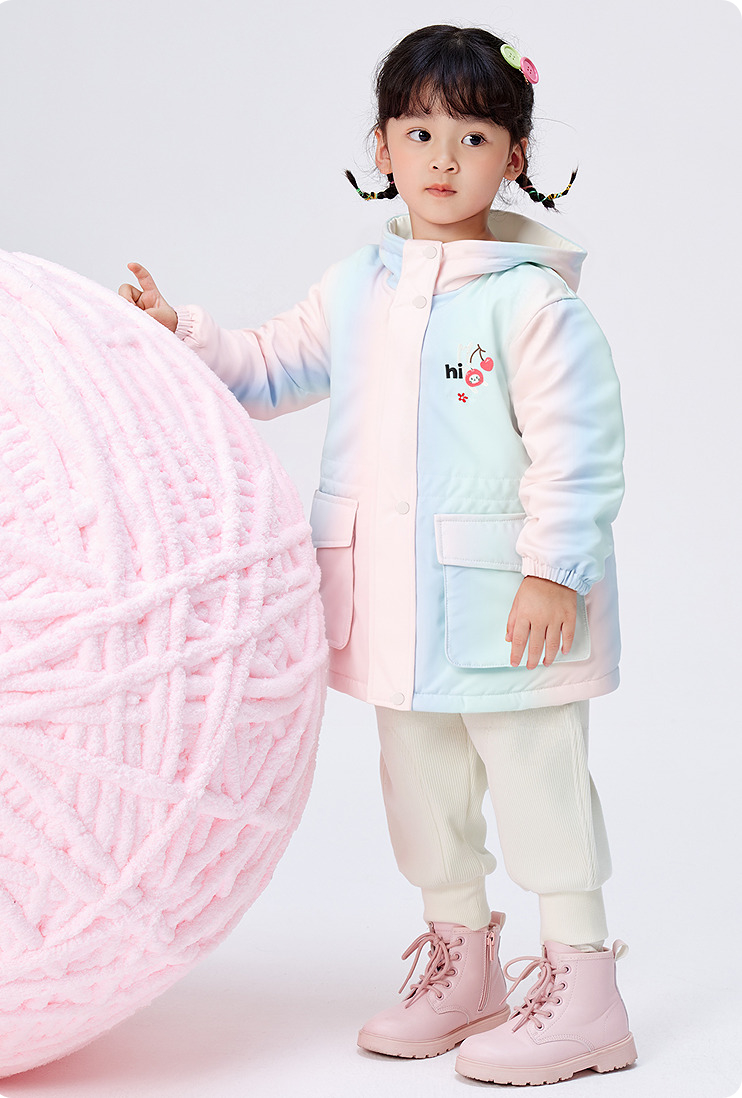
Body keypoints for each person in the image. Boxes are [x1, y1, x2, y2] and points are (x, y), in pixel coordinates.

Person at [119, 24, 637, 1087]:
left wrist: (554, 570)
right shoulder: (358, 285)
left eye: (475, 136)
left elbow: (580, 452)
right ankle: (463, 962)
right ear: (383, 145)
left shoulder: (531, 301)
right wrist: (182, 334)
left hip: (511, 608)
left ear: (516, 156)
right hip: (395, 605)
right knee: (422, 789)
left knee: (538, 784)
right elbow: (270, 368)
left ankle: (584, 988)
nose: (445, 159)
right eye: (420, 132)